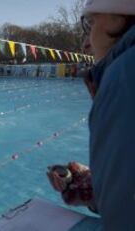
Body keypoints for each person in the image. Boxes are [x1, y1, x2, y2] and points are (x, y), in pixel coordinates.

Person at [48, 0, 135, 229]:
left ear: (120, 17)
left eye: (90, 23)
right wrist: (93, 183)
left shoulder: (124, 76)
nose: (86, 44)